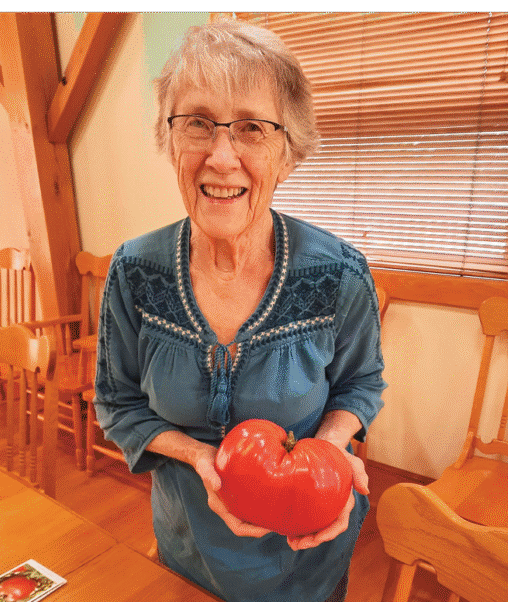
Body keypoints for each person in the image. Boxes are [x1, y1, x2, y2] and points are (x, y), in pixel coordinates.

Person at [93, 19, 386, 602]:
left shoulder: (340, 275)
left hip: (308, 560)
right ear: (170, 140)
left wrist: (329, 445)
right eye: (198, 123)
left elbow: (361, 385)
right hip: (188, 552)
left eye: (252, 128)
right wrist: (200, 456)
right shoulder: (132, 273)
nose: (221, 157)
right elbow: (117, 403)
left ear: (288, 152)